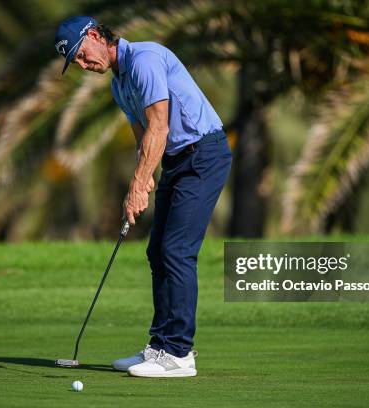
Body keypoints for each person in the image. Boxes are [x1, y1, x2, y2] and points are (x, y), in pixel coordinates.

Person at [55, 16, 232, 378]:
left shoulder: (145, 60)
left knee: (177, 250)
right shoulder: (119, 87)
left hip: (203, 155)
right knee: (157, 251)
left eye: (82, 54)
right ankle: (160, 346)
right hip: (177, 162)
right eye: (76, 63)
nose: (84, 65)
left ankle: (180, 354)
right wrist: (139, 183)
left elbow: (160, 126)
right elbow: (144, 141)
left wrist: (139, 185)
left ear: (95, 35)